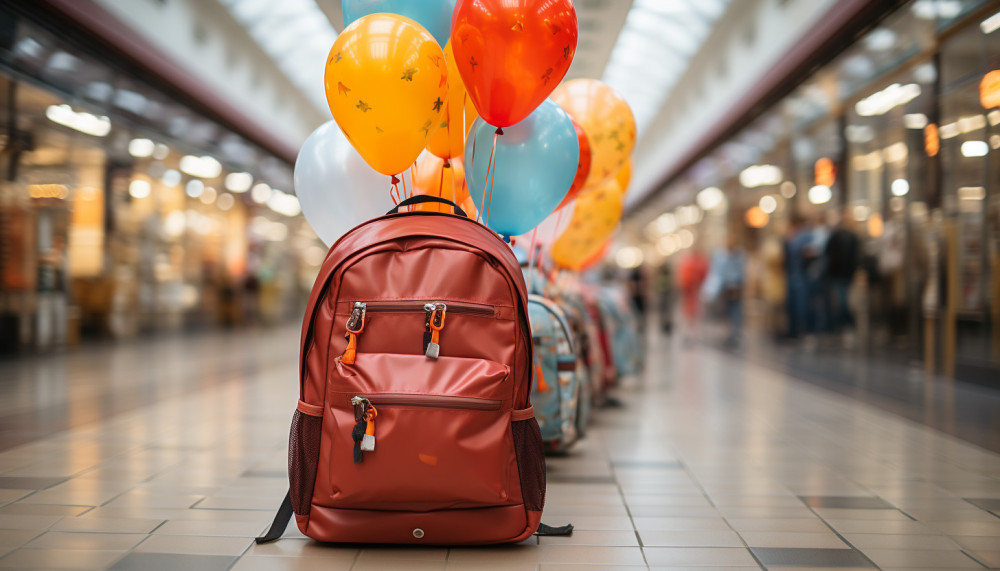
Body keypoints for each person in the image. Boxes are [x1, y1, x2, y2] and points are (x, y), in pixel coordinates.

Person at [824, 215, 860, 338]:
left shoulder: (852, 238)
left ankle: (848, 326)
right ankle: (845, 326)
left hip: (846, 274)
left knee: (844, 302)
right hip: (838, 274)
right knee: (841, 302)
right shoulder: (836, 237)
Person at [712, 238, 746, 346]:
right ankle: (727, 332)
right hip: (725, 287)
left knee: (735, 310)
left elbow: (741, 273)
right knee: (724, 311)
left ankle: (735, 332)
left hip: (735, 287)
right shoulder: (721, 256)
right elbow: (718, 273)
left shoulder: (739, 257)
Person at [677, 247, 708, 343]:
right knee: (688, 314)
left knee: (696, 314)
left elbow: (704, 274)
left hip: (697, 292)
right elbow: (683, 277)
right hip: (689, 293)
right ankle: (689, 334)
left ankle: (694, 335)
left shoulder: (700, 262)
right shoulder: (688, 262)